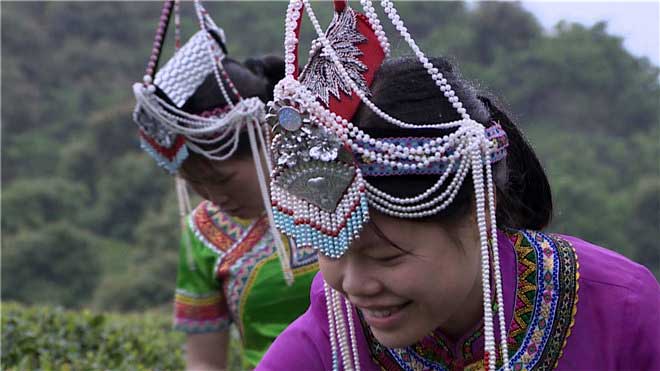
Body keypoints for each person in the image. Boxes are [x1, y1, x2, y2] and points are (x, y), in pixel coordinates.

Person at [256, 1, 660, 370]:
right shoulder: (332, 331)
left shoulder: (619, 309)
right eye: (332, 250)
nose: (355, 285)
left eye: (386, 257)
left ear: (480, 212)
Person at [131, 1, 317, 369]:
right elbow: (205, 362)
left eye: (222, 178)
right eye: (195, 183)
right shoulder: (202, 232)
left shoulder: (334, 194)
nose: (215, 196)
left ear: (268, 138)